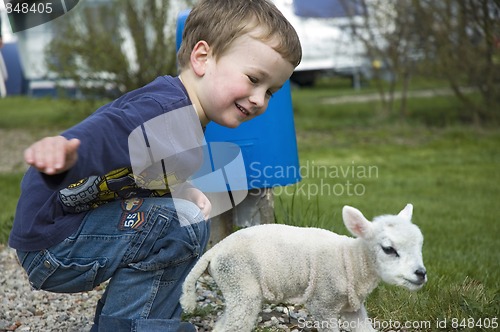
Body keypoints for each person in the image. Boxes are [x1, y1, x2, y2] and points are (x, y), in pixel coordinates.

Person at [9, 0, 302, 331]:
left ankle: (145, 321)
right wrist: (66, 152)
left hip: (60, 234)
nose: (259, 99)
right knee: (182, 223)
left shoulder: (180, 110)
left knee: (182, 216)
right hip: (55, 243)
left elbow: (143, 167)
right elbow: (107, 133)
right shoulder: (162, 110)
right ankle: (134, 325)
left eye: (271, 92)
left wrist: (182, 188)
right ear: (202, 58)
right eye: (253, 79)